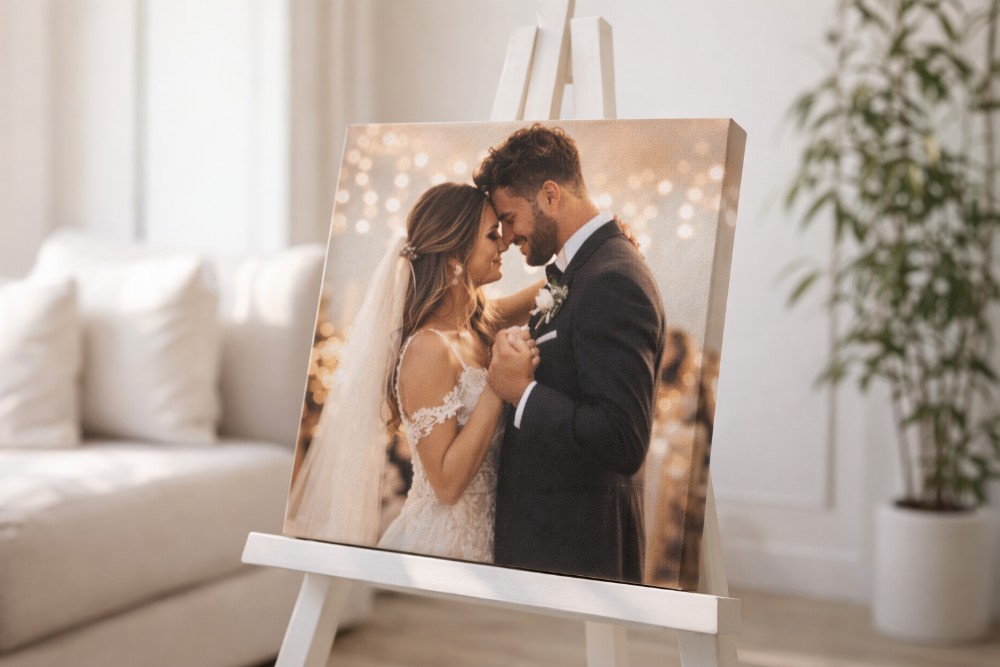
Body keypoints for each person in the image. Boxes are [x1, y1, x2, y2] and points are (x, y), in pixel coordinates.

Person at [284, 182, 543, 562]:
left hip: (491, 540)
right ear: (454, 258)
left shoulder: (474, 328)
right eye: (492, 235)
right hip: (443, 549)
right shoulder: (428, 349)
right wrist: (497, 386)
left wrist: (593, 247)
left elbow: (540, 294)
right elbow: (447, 485)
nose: (504, 243)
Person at [474, 124, 666, 583]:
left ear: (550, 195)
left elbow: (623, 440)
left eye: (509, 218)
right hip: (552, 550)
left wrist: (522, 393)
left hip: (578, 558)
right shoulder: (580, 269)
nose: (507, 236)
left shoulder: (612, 280)